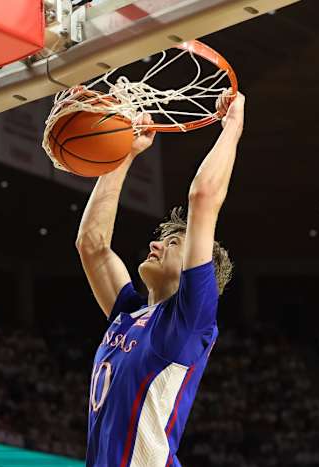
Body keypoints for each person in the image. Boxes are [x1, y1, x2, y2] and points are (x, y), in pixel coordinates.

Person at [75, 89, 245, 466]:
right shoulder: (128, 314)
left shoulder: (189, 320)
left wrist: (232, 127)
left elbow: (203, 197)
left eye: (172, 242)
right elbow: (92, 245)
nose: (156, 244)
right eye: (160, 237)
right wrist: (123, 156)